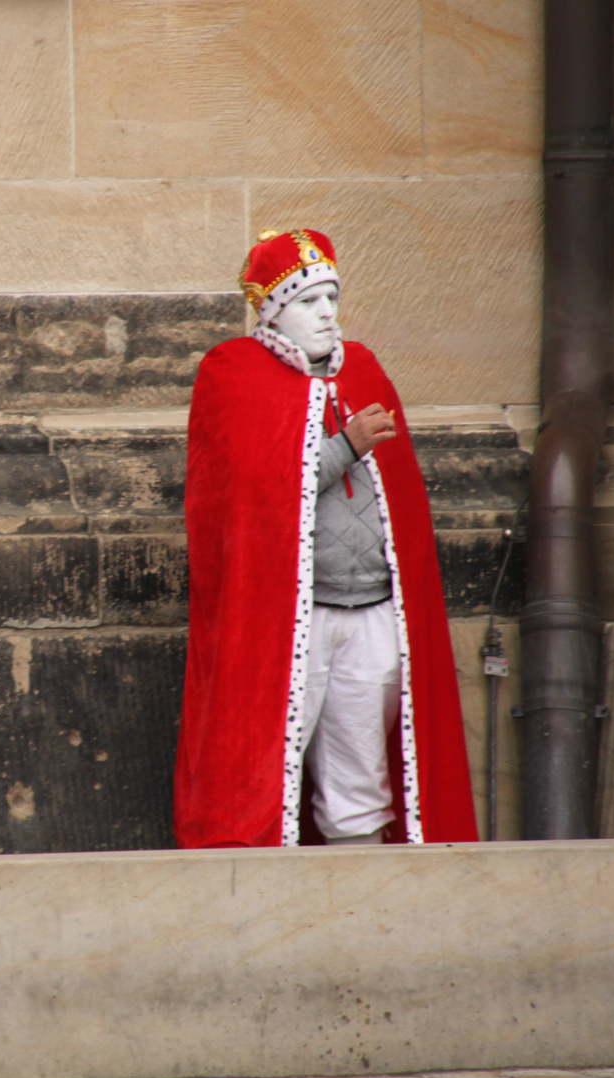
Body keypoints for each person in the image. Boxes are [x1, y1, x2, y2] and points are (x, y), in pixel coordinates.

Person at [175, 228, 477, 848]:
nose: (328, 315)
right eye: (310, 302)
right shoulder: (233, 375)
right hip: (290, 621)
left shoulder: (363, 368)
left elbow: (404, 500)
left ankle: (358, 924)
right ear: (273, 310)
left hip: (371, 610)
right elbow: (251, 496)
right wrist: (346, 447)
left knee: (360, 784)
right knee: (262, 776)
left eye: (332, 299)